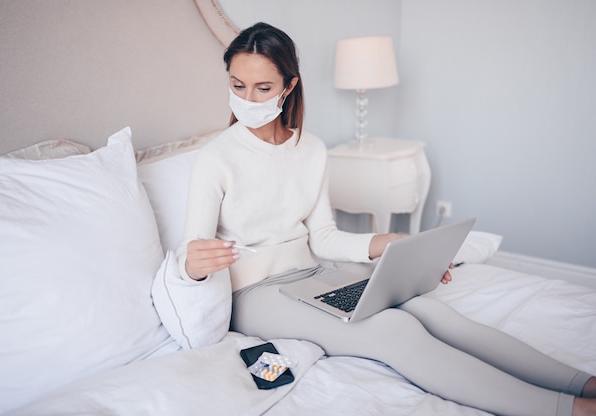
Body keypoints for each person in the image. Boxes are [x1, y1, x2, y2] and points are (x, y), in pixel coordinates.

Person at [178, 22, 596, 416]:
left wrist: (390, 243)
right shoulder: (216, 157)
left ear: (289, 86)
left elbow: (323, 236)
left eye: (262, 87)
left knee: (431, 312)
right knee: (394, 329)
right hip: (254, 295)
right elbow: (192, 252)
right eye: (238, 86)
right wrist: (194, 265)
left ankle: (584, 383)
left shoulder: (311, 150)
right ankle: (568, 410)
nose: (248, 99)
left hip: (311, 271)